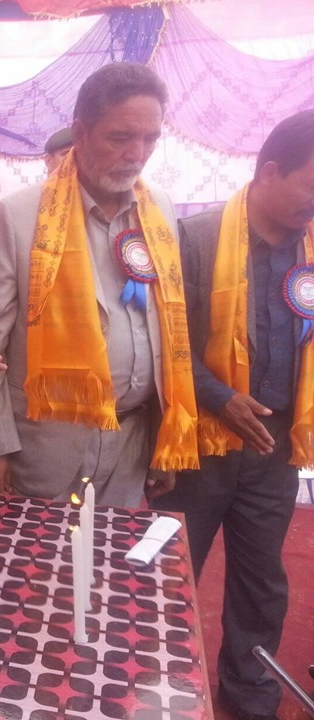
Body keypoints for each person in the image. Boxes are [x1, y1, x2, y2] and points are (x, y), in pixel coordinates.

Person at [0, 62, 200, 508]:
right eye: (120, 138)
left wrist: (165, 436)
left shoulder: (160, 210)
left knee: (112, 554)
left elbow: (167, 334)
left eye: (150, 139)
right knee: (38, 554)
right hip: (44, 448)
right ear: (80, 133)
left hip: (132, 443)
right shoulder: (19, 215)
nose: (137, 154)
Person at [152, 110, 314, 720]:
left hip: (275, 447)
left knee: (261, 582)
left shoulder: (311, 247)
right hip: (199, 441)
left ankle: (250, 698)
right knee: (172, 570)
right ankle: (158, 687)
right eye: (311, 186)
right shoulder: (194, 239)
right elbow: (166, 343)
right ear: (269, 172)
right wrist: (220, 397)